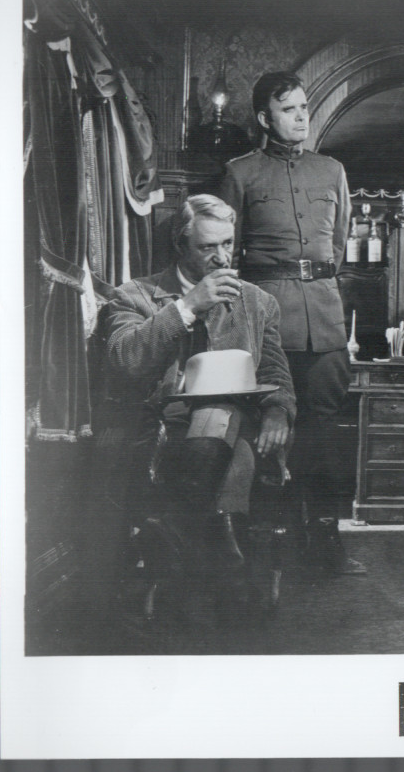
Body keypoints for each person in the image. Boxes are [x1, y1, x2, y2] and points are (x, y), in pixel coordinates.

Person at [218, 71, 365, 575]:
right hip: (268, 322)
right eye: (289, 109)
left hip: (324, 320)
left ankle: (324, 541)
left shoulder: (332, 171)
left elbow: (338, 245)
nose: (302, 117)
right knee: (267, 430)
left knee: (323, 435)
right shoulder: (240, 173)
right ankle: (271, 546)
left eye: (304, 107)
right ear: (265, 118)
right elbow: (227, 256)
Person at [101, 195, 295, 569]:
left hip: (238, 419)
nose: (222, 258)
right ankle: (222, 547)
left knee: (221, 411)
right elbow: (126, 359)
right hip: (164, 424)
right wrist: (187, 307)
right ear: (181, 245)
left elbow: (274, 373)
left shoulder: (257, 302)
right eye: (208, 247)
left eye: (228, 243)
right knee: (232, 440)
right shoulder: (135, 296)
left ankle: (175, 528)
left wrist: (279, 411)